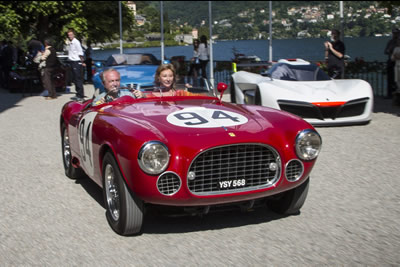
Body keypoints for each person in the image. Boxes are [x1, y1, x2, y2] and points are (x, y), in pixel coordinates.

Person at [66, 28, 85, 100]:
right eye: (69, 35)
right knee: (75, 79)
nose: (70, 36)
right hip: (72, 61)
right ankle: (78, 93)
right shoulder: (71, 42)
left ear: (74, 34)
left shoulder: (76, 42)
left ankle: (80, 95)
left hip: (76, 61)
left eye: (71, 35)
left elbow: (80, 52)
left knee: (78, 79)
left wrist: (82, 62)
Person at [384, 28, 400, 98]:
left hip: (397, 62)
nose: (395, 35)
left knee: (397, 79)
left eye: (396, 33)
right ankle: (390, 93)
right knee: (390, 79)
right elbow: (385, 51)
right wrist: (389, 51)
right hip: (391, 62)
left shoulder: (398, 42)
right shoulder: (390, 42)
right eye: (394, 33)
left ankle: (396, 94)